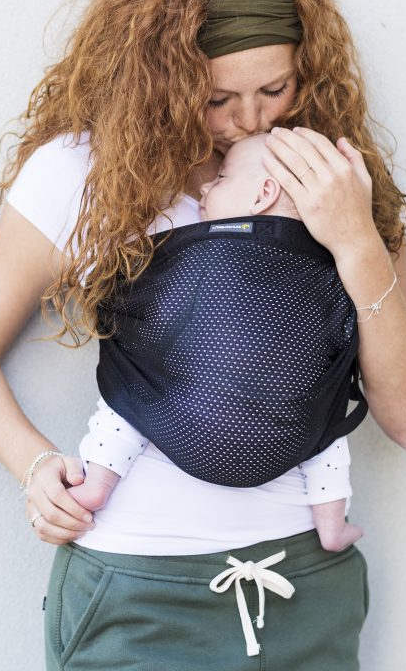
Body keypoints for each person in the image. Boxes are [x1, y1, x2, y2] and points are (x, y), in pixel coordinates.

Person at [0, 0, 406, 669]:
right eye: (217, 99)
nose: (252, 119)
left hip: (301, 583)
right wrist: (37, 468)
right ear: (165, 81)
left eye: (276, 87)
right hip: (135, 592)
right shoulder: (84, 175)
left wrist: (355, 238)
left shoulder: (334, 178)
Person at [70, 133, 364, 553]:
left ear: (264, 194)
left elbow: (147, 309)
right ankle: (332, 523)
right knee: (328, 420)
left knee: (134, 389)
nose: (206, 186)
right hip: (286, 430)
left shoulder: (201, 246)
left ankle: (96, 481)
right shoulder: (326, 264)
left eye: (222, 177)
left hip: (180, 414)